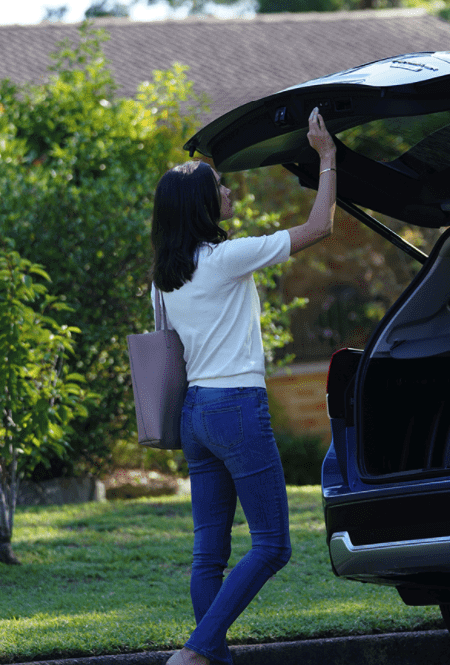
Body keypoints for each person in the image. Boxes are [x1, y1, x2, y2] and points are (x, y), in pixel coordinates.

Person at [150, 108, 336, 665]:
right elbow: (321, 226)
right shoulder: (227, 258)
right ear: (203, 206)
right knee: (273, 545)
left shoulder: (162, 280)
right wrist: (326, 157)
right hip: (235, 407)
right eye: (220, 189)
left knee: (209, 553)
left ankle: (210, 658)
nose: (228, 193)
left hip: (196, 418)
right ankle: (197, 650)